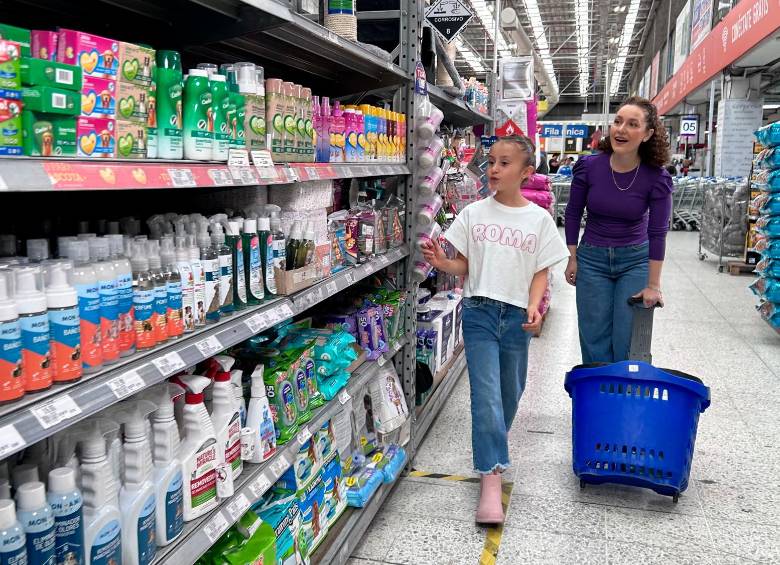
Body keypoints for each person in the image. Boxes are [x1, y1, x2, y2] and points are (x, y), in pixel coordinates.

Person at [422, 135, 569, 524]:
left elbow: (541, 272)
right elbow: (463, 267)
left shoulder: (538, 220)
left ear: (527, 173)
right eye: (490, 162)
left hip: (517, 316)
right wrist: (441, 262)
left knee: (510, 392)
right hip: (480, 313)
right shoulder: (473, 214)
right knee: (486, 397)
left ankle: (492, 446)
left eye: (504, 163)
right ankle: (491, 475)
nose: (493, 170)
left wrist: (536, 306)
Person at [564, 96, 673, 363]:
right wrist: (573, 257)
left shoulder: (657, 178)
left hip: (635, 261)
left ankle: (623, 399)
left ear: (647, 134)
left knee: (628, 339)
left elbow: (658, 233)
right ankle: (598, 398)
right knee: (593, 338)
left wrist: (653, 285)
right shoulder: (589, 167)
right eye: (618, 121)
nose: (621, 129)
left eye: (632, 124)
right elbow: (573, 213)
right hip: (592, 260)